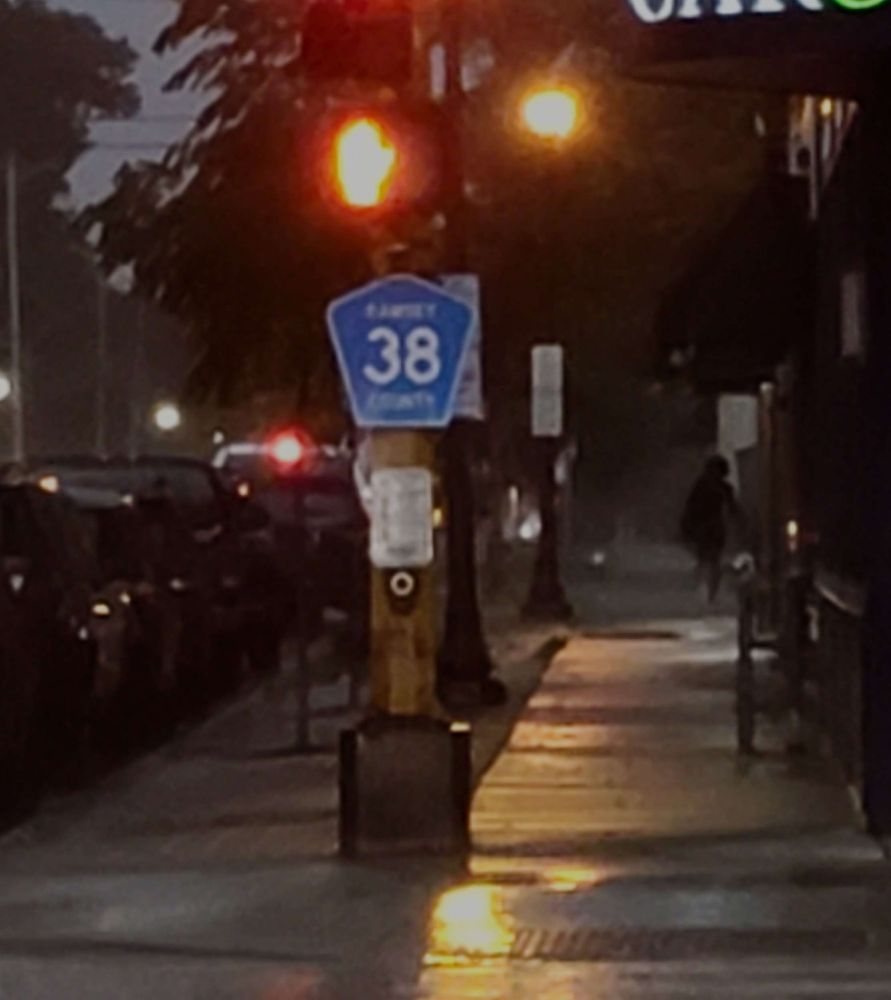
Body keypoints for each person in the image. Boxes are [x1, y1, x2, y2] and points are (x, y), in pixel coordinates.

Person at [680, 455, 739, 603]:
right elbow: (733, 510)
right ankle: (708, 587)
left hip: (708, 527)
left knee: (709, 559)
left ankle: (707, 587)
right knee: (712, 559)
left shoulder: (703, 485)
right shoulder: (722, 488)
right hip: (710, 527)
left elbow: (690, 507)